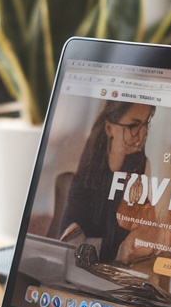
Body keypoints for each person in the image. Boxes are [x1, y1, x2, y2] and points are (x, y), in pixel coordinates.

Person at [59, 101, 154, 262]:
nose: (142, 133)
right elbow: (68, 237)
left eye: (146, 124)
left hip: (116, 266)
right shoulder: (84, 170)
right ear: (109, 128)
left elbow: (138, 228)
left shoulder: (141, 165)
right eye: (133, 126)